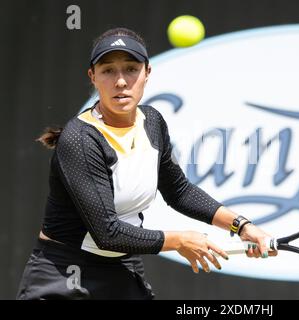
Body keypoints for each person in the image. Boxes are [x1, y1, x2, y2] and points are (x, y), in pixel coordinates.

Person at [16, 27, 276, 300]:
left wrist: (243, 226)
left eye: (131, 69)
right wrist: (179, 240)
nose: (120, 81)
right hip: (64, 276)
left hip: (122, 269)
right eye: (108, 71)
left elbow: (179, 191)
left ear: (147, 73)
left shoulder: (151, 121)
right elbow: (108, 233)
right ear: (92, 76)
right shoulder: (80, 139)